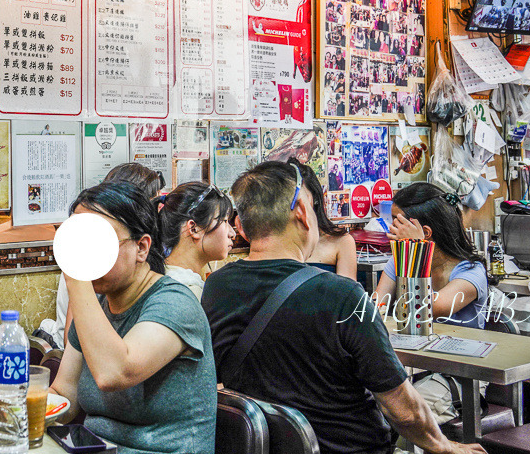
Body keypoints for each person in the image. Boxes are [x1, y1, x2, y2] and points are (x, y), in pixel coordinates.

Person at [203, 162, 482, 454]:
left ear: (244, 225)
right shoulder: (342, 296)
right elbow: (404, 411)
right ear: (301, 211)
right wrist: (448, 447)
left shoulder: (216, 287)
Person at [50, 180, 217, 454]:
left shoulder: (175, 303)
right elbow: (65, 395)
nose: (85, 251)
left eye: (97, 242)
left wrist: (75, 271)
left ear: (141, 247)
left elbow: (114, 372)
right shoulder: (98, 306)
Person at [54, 163, 167, 342]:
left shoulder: (168, 300)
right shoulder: (92, 287)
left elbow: (121, 368)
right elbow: (74, 351)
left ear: (142, 247)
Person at [374, 182, 488, 329]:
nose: (391, 228)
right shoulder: (399, 260)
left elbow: (426, 309)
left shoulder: (471, 273)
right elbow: (378, 306)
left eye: (398, 222)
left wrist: (417, 249)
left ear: (426, 233)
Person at [157, 181, 236, 300]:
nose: (232, 233)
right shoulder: (185, 292)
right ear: (194, 228)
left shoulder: (164, 278)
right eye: (224, 221)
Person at [303, 161, 358, 280]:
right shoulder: (273, 242)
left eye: (301, 198)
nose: (295, 207)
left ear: (315, 198)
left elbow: (347, 295)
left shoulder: (342, 241)